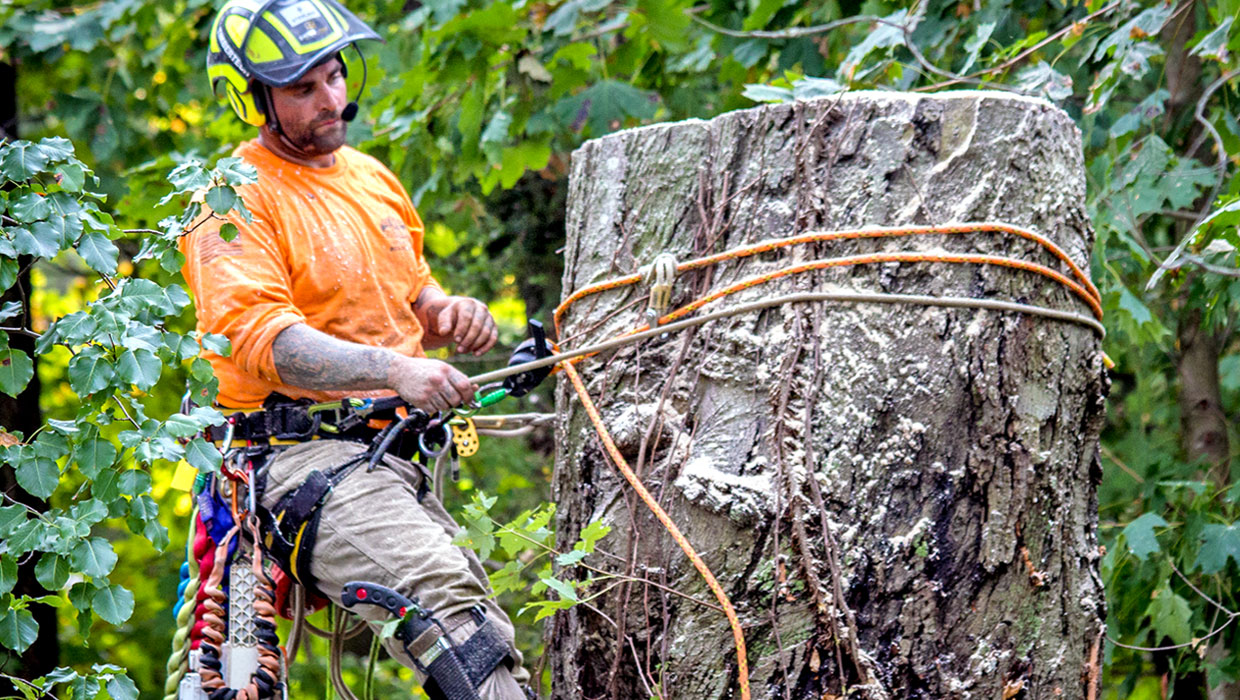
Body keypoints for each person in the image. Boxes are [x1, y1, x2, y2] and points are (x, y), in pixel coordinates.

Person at [182, 1, 531, 698]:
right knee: (450, 618)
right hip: (293, 460)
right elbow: (267, 343)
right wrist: (396, 370)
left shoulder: (372, 179)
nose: (331, 100)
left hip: (387, 455)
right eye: (303, 89)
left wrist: (447, 314)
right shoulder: (231, 201)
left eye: (335, 77)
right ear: (253, 97)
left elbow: (410, 297)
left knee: (480, 621)